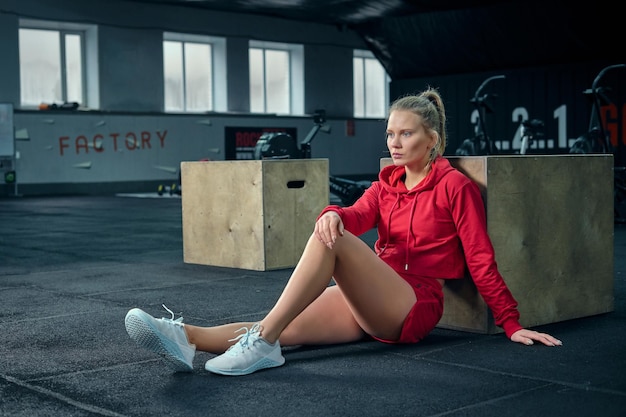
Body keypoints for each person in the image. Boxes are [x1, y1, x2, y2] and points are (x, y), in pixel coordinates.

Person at [125, 87, 562, 376]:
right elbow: (354, 215)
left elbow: (481, 258)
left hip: (413, 306)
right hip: (372, 296)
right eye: (390, 133)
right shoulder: (386, 184)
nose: (394, 142)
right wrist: (334, 211)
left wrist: (510, 323)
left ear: (432, 140)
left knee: (327, 241)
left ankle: (262, 345)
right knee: (287, 315)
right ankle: (186, 338)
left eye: (405, 134)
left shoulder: (454, 187)